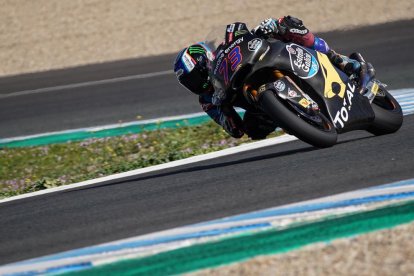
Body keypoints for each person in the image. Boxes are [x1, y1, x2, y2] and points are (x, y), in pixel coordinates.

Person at [174, 16, 367, 140]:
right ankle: (291, 116)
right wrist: (225, 109)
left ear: (205, 61)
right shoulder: (207, 100)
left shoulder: (224, 49)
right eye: (190, 83)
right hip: (255, 100)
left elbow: (241, 33)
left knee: (286, 24)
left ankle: (339, 60)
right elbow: (234, 130)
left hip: (266, 59)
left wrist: (265, 27)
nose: (197, 84)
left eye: (196, 77)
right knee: (253, 131)